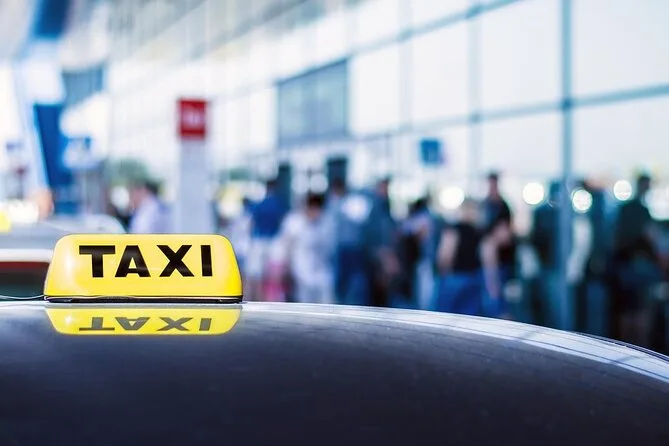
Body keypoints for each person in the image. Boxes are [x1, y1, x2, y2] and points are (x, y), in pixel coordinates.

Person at [612, 173, 662, 346]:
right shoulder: (642, 211)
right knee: (640, 311)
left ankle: (626, 347)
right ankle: (640, 350)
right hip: (639, 267)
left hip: (624, 266)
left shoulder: (624, 209)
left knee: (626, 311)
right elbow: (651, 236)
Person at [280, 192, 335, 304]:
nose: (314, 212)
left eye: (317, 208)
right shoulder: (294, 222)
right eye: (311, 207)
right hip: (301, 273)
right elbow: (286, 246)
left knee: (326, 303)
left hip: (322, 273)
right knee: (304, 305)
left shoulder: (327, 223)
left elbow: (331, 249)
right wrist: (286, 268)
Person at [435, 198, 486, 316]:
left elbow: (445, 255)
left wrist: (442, 272)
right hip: (473, 277)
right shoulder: (479, 232)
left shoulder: (453, 230)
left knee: (445, 317)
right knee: (468, 318)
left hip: (454, 277)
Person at [326, 179, 370, 306]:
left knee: (349, 280)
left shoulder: (342, 205)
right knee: (348, 280)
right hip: (350, 247)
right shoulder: (341, 204)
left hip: (347, 248)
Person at [246, 179, 288, 301]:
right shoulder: (279, 204)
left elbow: (252, 224)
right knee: (273, 275)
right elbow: (283, 223)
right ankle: (270, 299)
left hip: (259, 241)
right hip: (273, 241)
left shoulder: (260, 204)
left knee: (257, 274)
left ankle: (257, 299)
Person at [480, 172, 515, 319]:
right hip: (488, 263)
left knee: (499, 301)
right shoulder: (485, 205)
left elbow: (505, 236)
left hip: (501, 262)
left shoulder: (502, 206)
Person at [363, 178, 399, 308]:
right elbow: (371, 234)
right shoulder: (374, 208)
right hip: (376, 257)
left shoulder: (385, 207)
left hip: (382, 255)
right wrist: (383, 253)